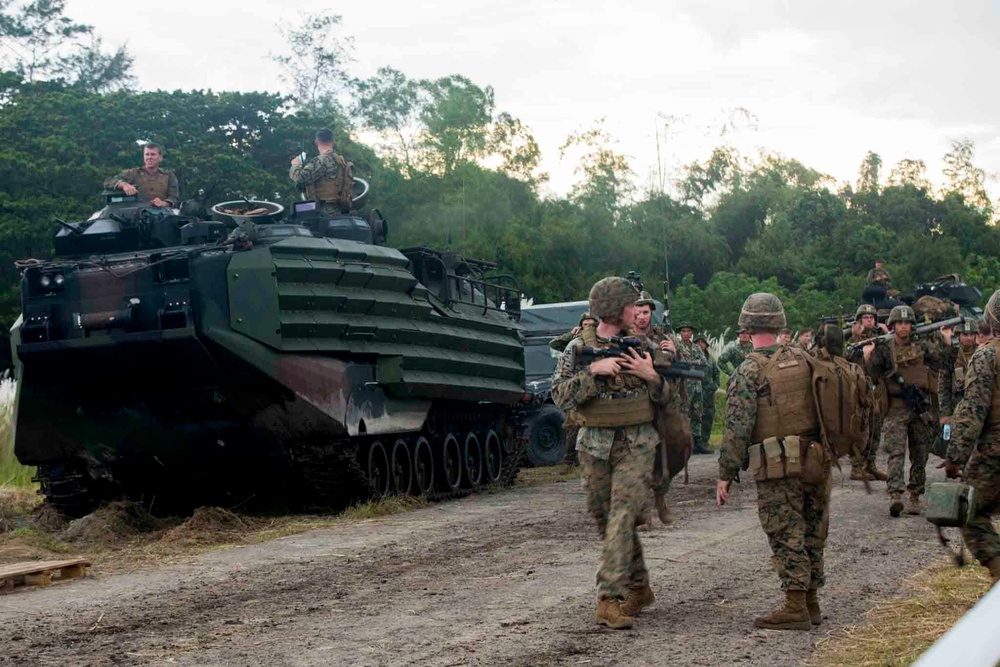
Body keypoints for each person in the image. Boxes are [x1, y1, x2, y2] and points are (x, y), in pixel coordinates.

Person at [551, 277, 677, 629]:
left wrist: (651, 376)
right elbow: (559, 395)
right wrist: (593, 372)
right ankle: (639, 586)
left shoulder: (643, 347)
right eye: (628, 305)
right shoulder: (577, 349)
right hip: (593, 446)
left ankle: (610, 599)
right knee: (605, 519)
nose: (635, 311)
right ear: (613, 309)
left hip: (637, 443)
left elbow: (672, 400)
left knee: (622, 516)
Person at [716, 293, 831, 631]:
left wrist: (725, 474)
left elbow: (737, 429)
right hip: (814, 461)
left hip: (776, 465)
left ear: (746, 326)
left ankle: (795, 606)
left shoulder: (747, 371)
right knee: (812, 529)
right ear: (781, 323)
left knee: (786, 531)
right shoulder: (807, 360)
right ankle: (811, 602)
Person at [863, 305, 949, 517]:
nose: (904, 326)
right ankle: (895, 494)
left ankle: (915, 495)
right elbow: (872, 376)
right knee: (896, 452)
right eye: (900, 323)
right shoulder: (885, 348)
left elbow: (943, 363)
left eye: (907, 323)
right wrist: (867, 358)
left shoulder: (923, 347)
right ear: (893, 325)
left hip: (919, 406)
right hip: (895, 407)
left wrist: (947, 342)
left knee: (920, 453)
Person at [943, 290, 1000, 585]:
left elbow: (973, 411)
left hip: (994, 454)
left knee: (968, 509)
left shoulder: (987, 356)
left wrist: (955, 457)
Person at [631, 292, 683, 526]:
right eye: (637, 312)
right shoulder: (622, 335)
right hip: (633, 400)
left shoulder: (662, 335)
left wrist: (675, 350)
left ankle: (661, 496)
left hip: (661, 398)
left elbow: (687, 361)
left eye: (645, 312)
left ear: (652, 312)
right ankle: (643, 508)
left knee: (676, 442)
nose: (641, 317)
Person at [846, 304, 890, 482]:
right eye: (865, 317)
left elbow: (888, 363)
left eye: (872, 317)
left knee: (876, 427)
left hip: (877, 389)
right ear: (858, 321)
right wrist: (865, 357)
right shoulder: (852, 343)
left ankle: (870, 464)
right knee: (860, 428)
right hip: (860, 389)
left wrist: (887, 337)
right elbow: (849, 365)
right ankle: (857, 466)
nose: (869, 320)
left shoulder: (881, 339)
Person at [104, 143, 179, 208]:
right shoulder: (133, 173)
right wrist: (124, 185)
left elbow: (174, 198)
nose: (149, 157)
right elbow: (108, 181)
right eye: (147, 154)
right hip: (136, 215)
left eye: (153, 154)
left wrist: (163, 203)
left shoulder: (169, 176)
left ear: (160, 157)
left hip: (162, 215)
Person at [289, 128, 345, 211]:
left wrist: (296, 165)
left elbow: (300, 180)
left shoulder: (321, 161)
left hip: (324, 212)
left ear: (316, 142)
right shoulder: (341, 161)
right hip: (339, 210)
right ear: (333, 141)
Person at [676, 323, 709, 455]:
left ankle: (697, 442)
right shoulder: (677, 347)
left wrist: (691, 362)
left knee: (697, 413)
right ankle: (683, 441)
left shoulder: (695, 347)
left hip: (696, 385)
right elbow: (679, 362)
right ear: (680, 333)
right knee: (683, 412)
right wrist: (693, 362)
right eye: (683, 331)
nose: (686, 333)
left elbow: (704, 362)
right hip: (684, 385)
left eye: (688, 331)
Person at [938, 319, 977, 425]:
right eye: (965, 334)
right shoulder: (952, 355)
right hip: (957, 405)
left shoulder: (981, 353)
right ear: (958, 335)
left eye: (972, 334)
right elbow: (943, 386)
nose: (969, 338)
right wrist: (945, 414)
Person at [695, 332, 721, 448]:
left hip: (708, 392)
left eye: (702, 342)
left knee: (708, 416)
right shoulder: (691, 356)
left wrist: (715, 385)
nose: (700, 345)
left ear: (706, 345)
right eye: (697, 342)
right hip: (695, 391)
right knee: (695, 416)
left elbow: (716, 373)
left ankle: (705, 441)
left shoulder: (710, 359)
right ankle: (695, 441)